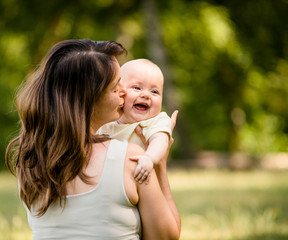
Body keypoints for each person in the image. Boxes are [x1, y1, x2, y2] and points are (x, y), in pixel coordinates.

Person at [5, 39, 180, 240]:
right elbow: (166, 237)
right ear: (91, 98)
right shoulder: (129, 159)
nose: (125, 92)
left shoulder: (30, 162)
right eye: (116, 87)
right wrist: (160, 165)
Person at [97, 59, 171, 184]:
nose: (146, 95)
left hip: (140, 179)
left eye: (154, 91)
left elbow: (160, 141)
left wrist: (149, 158)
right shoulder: (107, 121)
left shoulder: (155, 121)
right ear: (120, 92)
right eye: (137, 88)